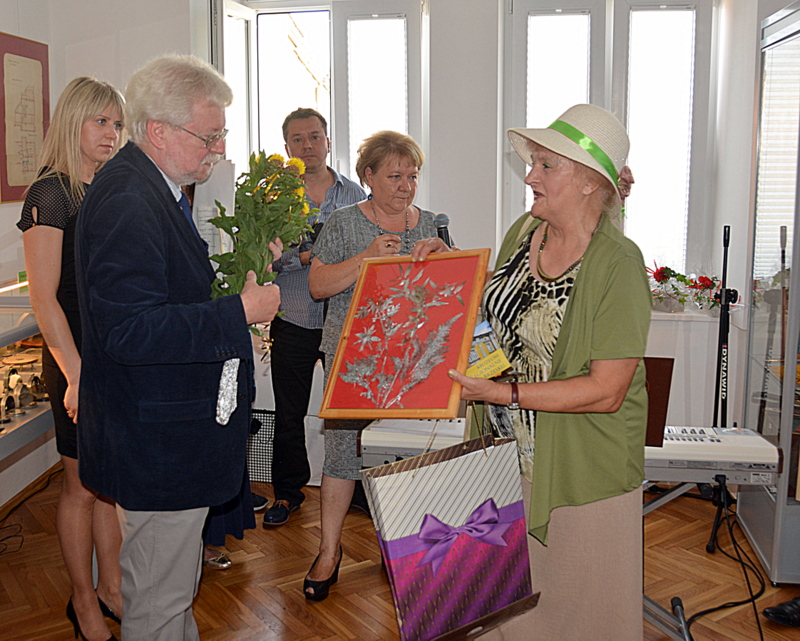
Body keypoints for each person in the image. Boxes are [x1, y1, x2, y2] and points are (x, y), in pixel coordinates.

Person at [74, 55, 281, 641]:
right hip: (156, 443)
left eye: (221, 133)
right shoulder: (129, 198)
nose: (219, 148)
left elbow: (166, 294)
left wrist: (240, 283)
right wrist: (239, 312)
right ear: (158, 131)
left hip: (164, 435)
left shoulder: (153, 187)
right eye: (208, 135)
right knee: (157, 605)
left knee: (169, 594)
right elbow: (129, 331)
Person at [448, 104, 651, 640]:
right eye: (532, 163)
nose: (530, 177)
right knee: (503, 606)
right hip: (500, 458)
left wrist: (501, 393)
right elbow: (500, 307)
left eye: (545, 166)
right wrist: (447, 268)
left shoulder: (619, 264)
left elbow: (607, 392)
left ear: (589, 182)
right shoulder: (525, 232)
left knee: (578, 612)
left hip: (581, 473)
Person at [305, 130, 449, 601]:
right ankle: (329, 551)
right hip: (353, 360)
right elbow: (318, 286)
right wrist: (366, 258)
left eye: (412, 176)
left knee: (409, 456)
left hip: (414, 363)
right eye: (395, 176)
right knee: (342, 456)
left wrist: (448, 258)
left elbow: (450, 292)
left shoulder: (431, 224)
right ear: (368, 176)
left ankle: (407, 552)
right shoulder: (344, 222)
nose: (406, 186)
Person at [18, 76, 125, 641]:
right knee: (81, 486)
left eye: (117, 124)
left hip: (112, 354)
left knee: (108, 482)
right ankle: (83, 602)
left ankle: (112, 588)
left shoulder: (106, 187)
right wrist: (76, 374)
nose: (111, 133)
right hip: (74, 359)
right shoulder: (50, 193)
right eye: (100, 121)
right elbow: (43, 299)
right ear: (73, 121)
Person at [262, 108, 366, 527]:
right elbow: (266, 261)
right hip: (293, 318)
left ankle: (355, 491)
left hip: (344, 319)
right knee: (288, 414)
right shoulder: (274, 199)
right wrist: (306, 256)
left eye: (315, 137)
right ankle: (287, 493)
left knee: (350, 413)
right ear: (287, 147)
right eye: (298, 139)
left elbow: (366, 249)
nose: (307, 146)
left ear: (328, 140)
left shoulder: (355, 194)